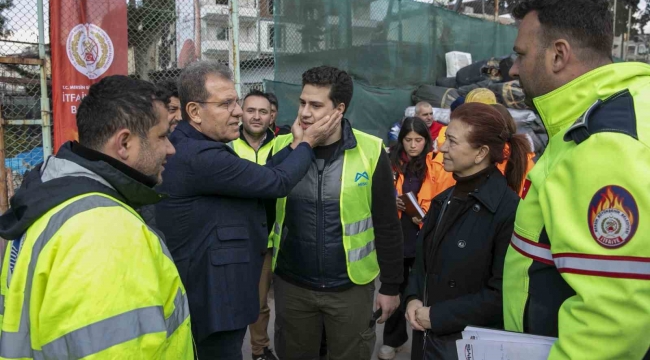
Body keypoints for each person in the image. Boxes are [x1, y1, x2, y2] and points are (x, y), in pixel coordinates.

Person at [154, 61, 340, 360]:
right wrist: (307, 143)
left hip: (213, 296)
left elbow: (258, 176)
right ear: (194, 112)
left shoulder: (196, 146)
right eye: (227, 103)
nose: (238, 112)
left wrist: (294, 147)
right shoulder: (199, 156)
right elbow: (275, 182)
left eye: (236, 102)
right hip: (212, 300)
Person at [0, 75, 193, 359]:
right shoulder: (106, 232)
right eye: (162, 136)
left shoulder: (56, 198)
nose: (171, 148)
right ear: (124, 143)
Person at [502, 1, 650, 359]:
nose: (513, 68)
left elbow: (611, 324)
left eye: (521, 54)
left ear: (558, 55)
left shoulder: (601, 143)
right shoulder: (627, 105)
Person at [270, 66, 404, 360]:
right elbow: (263, 208)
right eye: (302, 102)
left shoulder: (370, 151)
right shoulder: (283, 147)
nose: (305, 113)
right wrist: (297, 146)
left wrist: (391, 286)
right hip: (292, 285)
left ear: (339, 109)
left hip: (350, 288)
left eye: (316, 105)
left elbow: (387, 223)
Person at [404, 103, 526, 359]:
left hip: (466, 345)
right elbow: (422, 263)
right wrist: (413, 297)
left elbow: (502, 294)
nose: (442, 147)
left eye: (452, 141)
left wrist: (438, 316)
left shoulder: (508, 210)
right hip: (427, 340)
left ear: (480, 152)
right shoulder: (444, 199)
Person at [377, 117, 443, 360]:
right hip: (398, 237)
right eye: (408, 140)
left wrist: (424, 218)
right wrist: (390, 201)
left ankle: (423, 343)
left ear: (426, 141)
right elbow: (377, 195)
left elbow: (441, 200)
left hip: (423, 237)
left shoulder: (436, 165)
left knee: (421, 296)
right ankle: (392, 340)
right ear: (400, 140)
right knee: (395, 289)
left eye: (418, 140)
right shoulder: (390, 163)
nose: (413, 145)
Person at [228, 89, 278, 360]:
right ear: (240, 113)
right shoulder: (227, 146)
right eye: (251, 111)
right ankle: (242, 352)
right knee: (243, 301)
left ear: (272, 116)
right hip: (240, 241)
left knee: (265, 304)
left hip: (276, 240)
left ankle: (261, 349)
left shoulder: (282, 145)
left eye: (263, 111)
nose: (256, 117)